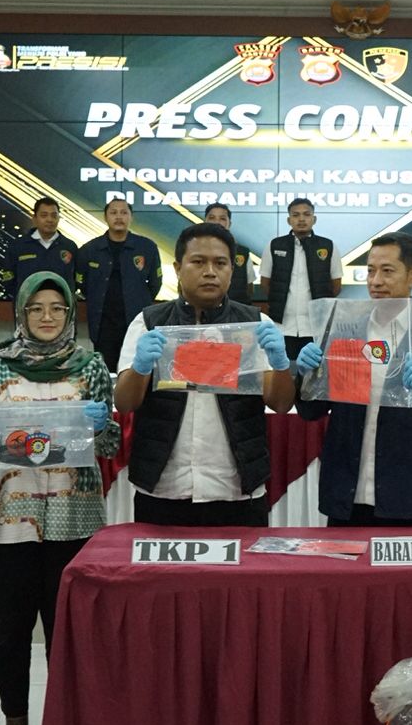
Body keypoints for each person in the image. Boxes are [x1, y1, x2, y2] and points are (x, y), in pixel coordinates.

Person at [0, 271, 120, 725]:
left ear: (69, 314)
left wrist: (103, 426)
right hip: (7, 518)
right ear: (21, 312)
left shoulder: (91, 365)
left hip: (74, 518)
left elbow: (109, 446)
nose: (47, 317)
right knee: (11, 631)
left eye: (57, 308)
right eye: (36, 308)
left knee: (66, 633)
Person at [115, 222, 296, 526]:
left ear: (232, 270)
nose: (210, 272)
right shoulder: (148, 322)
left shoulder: (255, 324)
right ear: (177, 268)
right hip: (163, 489)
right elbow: (124, 403)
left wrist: (281, 365)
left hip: (237, 491)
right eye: (198, 262)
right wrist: (140, 368)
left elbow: (280, 403)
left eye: (220, 263)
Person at [293, 233, 412, 525]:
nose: (375, 281)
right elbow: (311, 411)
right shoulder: (344, 332)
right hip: (346, 499)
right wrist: (305, 378)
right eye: (370, 271)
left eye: (387, 271)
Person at [74, 197, 161, 363]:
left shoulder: (147, 247)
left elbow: (155, 284)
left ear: (131, 217)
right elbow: (82, 284)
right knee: (106, 371)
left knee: (136, 369)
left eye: (124, 212)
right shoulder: (89, 249)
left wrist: (139, 300)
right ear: (105, 217)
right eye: (113, 213)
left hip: (136, 322)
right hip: (103, 325)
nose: (119, 217)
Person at [259, 197, 342, 361]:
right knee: (282, 369)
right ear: (289, 220)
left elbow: (336, 286)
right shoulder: (275, 245)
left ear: (314, 219)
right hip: (282, 326)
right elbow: (265, 284)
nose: (301, 219)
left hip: (315, 327)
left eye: (306, 214)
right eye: (296, 215)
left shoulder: (328, 246)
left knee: (313, 371)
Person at [1, 197, 79, 301]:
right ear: (34, 218)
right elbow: (9, 280)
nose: (49, 220)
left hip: (61, 306)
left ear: (58, 219)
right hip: (27, 306)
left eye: (54, 216)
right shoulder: (18, 246)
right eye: (44, 215)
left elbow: (77, 280)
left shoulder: (69, 246)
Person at [204, 202, 258, 303]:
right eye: (212, 218)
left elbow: (249, 288)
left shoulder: (242, 252)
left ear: (229, 224)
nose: (217, 222)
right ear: (204, 222)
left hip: (235, 308)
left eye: (222, 218)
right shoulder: (192, 250)